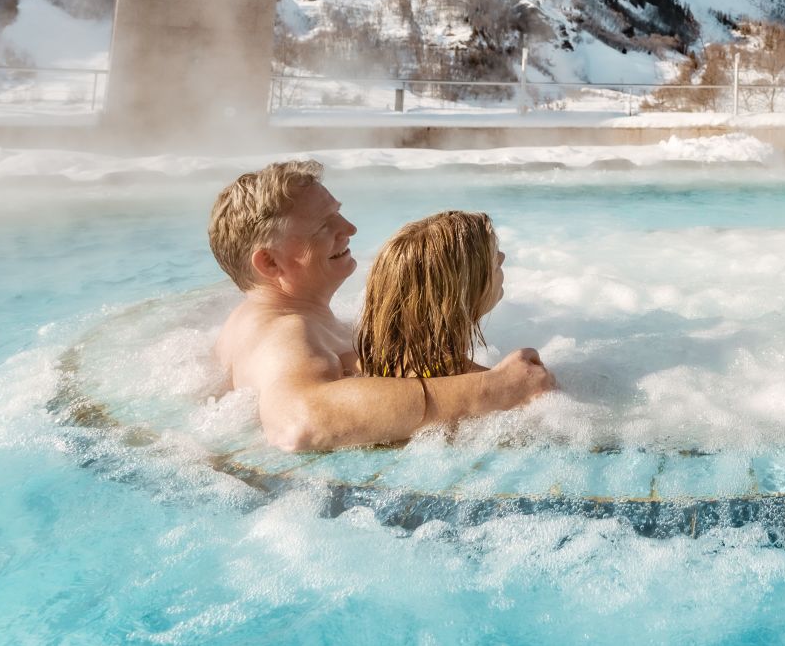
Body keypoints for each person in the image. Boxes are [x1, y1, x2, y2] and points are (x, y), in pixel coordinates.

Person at [208, 159, 554, 451]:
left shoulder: (288, 320)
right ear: (269, 263)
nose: (350, 228)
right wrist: (492, 390)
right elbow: (299, 422)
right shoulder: (285, 333)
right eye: (324, 225)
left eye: (339, 214)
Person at [355, 210, 504, 380]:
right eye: (493, 257)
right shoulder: (487, 385)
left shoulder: (372, 364)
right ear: (462, 290)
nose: (502, 257)